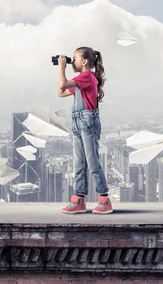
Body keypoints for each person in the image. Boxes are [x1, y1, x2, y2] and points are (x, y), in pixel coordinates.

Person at [57, 46, 112, 214]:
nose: (71, 61)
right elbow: (61, 92)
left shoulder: (87, 76)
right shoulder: (81, 80)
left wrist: (61, 68)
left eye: (74, 58)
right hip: (78, 122)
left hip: (87, 122)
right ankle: (79, 200)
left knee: (92, 161)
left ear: (85, 61)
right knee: (79, 163)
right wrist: (63, 70)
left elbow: (63, 84)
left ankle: (104, 199)